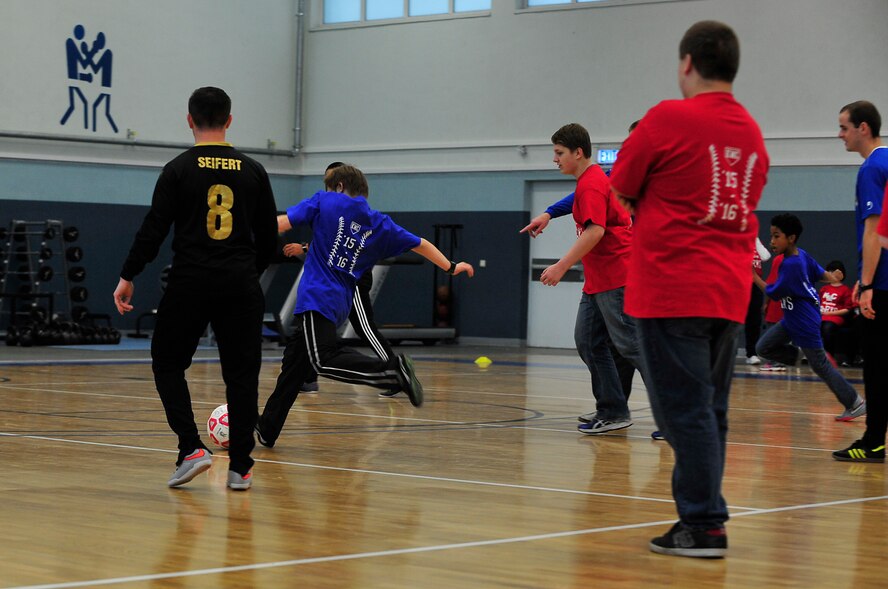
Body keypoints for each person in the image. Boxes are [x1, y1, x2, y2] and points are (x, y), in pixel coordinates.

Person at [610, 21, 769, 557]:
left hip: (671, 289)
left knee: (685, 413)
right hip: (729, 292)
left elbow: (622, 188)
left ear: (687, 63)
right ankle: (704, 520)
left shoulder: (667, 118)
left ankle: (703, 524)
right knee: (709, 410)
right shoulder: (751, 131)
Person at [113, 86, 278, 491]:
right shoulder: (253, 170)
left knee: (168, 363)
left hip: (190, 281)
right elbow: (270, 239)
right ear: (229, 120)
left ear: (189, 120)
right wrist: (246, 272)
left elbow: (154, 229)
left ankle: (191, 448)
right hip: (240, 283)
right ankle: (240, 466)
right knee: (242, 374)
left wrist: (128, 273)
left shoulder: (178, 169)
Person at [256, 164, 474, 447]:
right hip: (340, 302)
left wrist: (241, 232)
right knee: (295, 365)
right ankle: (267, 427)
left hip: (316, 296)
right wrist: (451, 266)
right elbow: (421, 244)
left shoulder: (325, 200)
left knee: (322, 359)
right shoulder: (379, 222)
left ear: (338, 186)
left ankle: (390, 372)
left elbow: (281, 224)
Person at [521, 121, 650, 436]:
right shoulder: (596, 180)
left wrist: (561, 265)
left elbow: (596, 229)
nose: (555, 159)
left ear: (578, 153)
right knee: (590, 342)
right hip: (598, 280)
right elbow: (582, 203)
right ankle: (613, 410)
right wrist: (548, 213)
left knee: (633, 347)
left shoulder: (597, 182)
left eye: (559, 153)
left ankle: (677, 414)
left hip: (618, 276)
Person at [283, 162, 400, 397]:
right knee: (306, 330)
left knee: (364, 327)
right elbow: (330, 242)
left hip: (350, 278)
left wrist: (303, 246)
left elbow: (348, 242)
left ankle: (393, 371)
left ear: (340, 185)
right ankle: (306, 377)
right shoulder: (327, 205)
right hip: (332, 281)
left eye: (330, 183)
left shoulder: (354, 210)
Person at [754, 215, 866, 420]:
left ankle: (855, 402)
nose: (771, 241)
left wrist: (752, 276)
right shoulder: (801, 256)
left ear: (791, 238)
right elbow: (821, 273)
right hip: (792, 318)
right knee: (763, 347)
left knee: (820, 366)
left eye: (776, 236)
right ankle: (797, 355)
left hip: (803, 320)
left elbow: (773, 292)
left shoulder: (792, 264)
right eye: (771, 236)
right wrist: (832, 278)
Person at [833, 100, 888, 463]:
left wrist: (865, 283)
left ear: (863, 128)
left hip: (883, 285)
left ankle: (873, 441)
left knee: (878, 364)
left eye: (844, 128)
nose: (840, 135)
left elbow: (874, 231)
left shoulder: (872, 168)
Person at [819, 260, 855, 363]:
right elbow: (819, 302)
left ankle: (828, 357)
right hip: (822, 316)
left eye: (833, 272)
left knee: (827, 328)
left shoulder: (845, 290)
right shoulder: (824, 288)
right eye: (829, 272)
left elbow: (847, 309)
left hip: (835, 318)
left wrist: (829, 313)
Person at [744, 237, 771, 365]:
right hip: (739, 283)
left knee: (754, 320)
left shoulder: (755, 241)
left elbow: (766, 256)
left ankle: (752, 353)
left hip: (755, 284)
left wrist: (755, 240)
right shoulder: (735, 240)